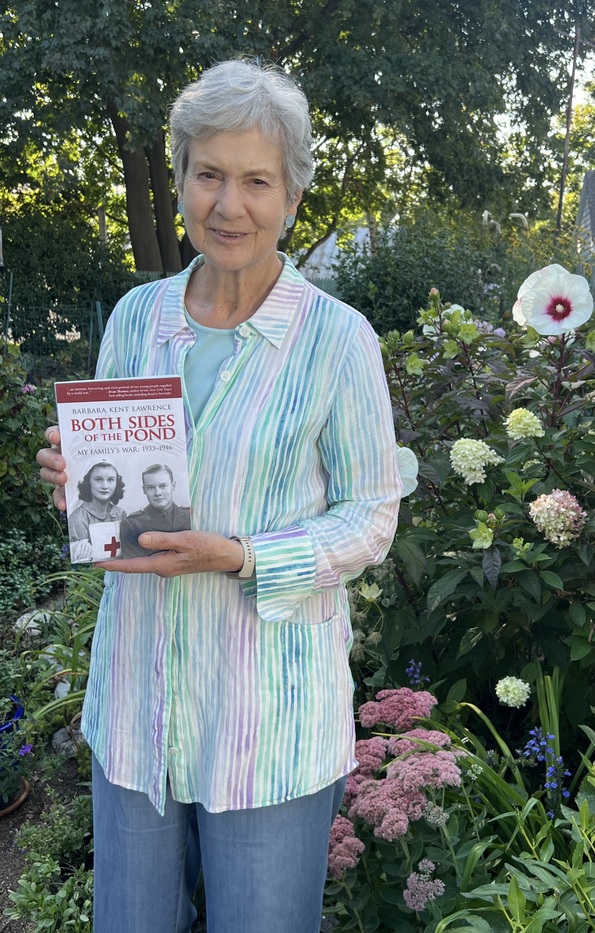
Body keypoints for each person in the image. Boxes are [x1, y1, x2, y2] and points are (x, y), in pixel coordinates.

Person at [37, 58, 401, 933]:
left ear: (292, 197)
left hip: (266, 724)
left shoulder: (336, 340)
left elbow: (371, 516)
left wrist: (239, 556)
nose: (228, 204)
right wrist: (78, 485)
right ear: (180, 181)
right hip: (138, 711)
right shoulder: (137, 317)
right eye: (208, 174)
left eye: (256, 180)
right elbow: (114, 503)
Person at [119, 463, 191, 557]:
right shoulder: (132, 524)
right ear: (144, 490)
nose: (157, 493)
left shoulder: (190, 516)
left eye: (163, 486)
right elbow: (136, 563)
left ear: (173, 486)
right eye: (151, 488)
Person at [68, 460, 126, 562]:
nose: (105, 486)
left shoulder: (120, 514)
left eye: (111, 480)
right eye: (98, 480)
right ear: (89, 483)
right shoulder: (78, 518)